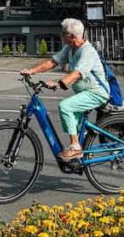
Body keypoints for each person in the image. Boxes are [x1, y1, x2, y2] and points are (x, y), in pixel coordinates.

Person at [21, 17, 110, 160]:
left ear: (72, 36)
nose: (61, 35)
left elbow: (77, 73)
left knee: (65, 106)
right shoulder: (70, 48)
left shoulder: (87, 52)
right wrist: (32, 71)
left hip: (96, 93)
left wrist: (58, 83)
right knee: (71, 123)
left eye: (63, 33)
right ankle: (84, 148)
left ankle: (76, 147)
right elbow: (53, 62)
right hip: (83, 92)